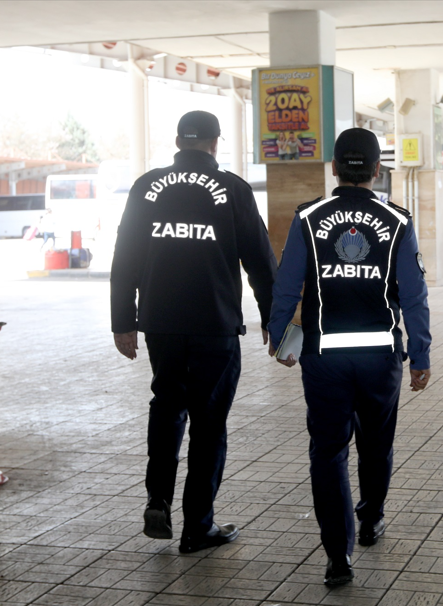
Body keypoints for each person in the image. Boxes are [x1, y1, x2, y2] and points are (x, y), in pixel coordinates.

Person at [268, 128, 431, 587]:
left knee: (328, 452)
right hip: (379, 356)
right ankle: (371, 518)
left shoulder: (308, 216)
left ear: (334, 167)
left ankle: (337, 557)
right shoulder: (397, 221)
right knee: (376, 444)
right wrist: (420, 354)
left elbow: (287, 284)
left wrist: (282, 337)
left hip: (324, 359)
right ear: (378, 170)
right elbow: (415, 296)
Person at [109, 111, 277, 554]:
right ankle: (197, 526)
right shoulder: (235, 190)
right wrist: (274, 320)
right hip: (214, 325)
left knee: (167, 407)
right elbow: (260, 261)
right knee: (208, 425)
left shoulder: (147, 187)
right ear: (215, 143)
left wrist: (123, 320)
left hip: (161, 323)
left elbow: (124, 256)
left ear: (178, 141)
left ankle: (157, 498)